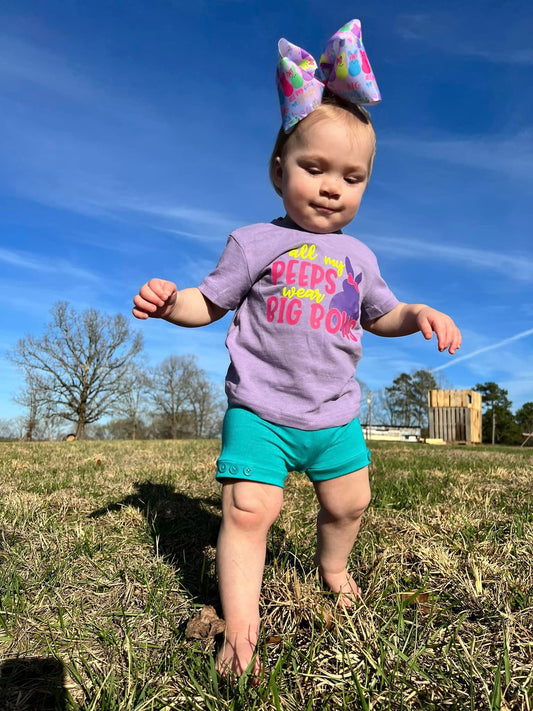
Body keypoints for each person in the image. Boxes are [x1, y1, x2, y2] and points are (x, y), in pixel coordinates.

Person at [132, 19, 461, 680]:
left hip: (334, 413)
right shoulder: (254, 241)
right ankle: (241, 632)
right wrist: (172, 305)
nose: (333, 186)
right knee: (250, 509)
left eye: (353, 176)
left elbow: (381, 314)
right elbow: (209, 300)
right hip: (260, 410)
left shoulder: (360, 256)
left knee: (348, 504)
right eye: (314, 168)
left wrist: (417, 311)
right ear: (278, 170)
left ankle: (332, 568)